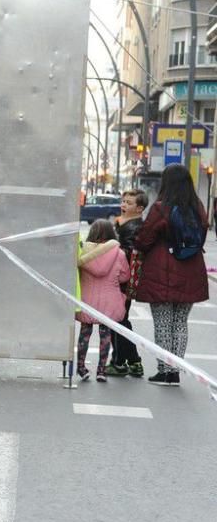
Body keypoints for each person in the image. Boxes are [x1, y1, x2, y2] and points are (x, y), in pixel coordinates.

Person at [134, 163, 209, 386]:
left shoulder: (161, 207)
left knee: (163, 323)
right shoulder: (198, 207)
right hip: (192, 269)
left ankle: (165, 371)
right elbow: (202, 235)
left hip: (162, 269)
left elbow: (145, 238)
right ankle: (176, 371)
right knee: (180, 323)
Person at [76, 220, 130, 382]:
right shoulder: (118, 254)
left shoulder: (82, 253)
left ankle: (81, 368)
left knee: (84, 334)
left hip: (87, 300)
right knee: (105, 336)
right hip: (109, 302)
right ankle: (101, 371)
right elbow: (124, 276)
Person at [105, 189, 147, 377]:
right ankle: (132, 361)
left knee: (118, 320)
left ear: (139, 208)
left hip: (122, 280)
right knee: (120, 320)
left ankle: (121, 362)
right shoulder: (121, 223)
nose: (123, 205)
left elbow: (127, 255)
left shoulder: (135, 227)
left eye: (129, 203)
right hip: (115, 279)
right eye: (123, 201)